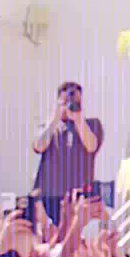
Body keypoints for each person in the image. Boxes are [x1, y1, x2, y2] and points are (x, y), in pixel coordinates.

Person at [31, 82, 102, 220]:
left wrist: (78, 118)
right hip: (48, 194)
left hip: (77, 195)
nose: (70, 105)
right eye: (66, 101)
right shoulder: (49, 127)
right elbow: (39, 146)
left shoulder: (92, 125)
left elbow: (91, 146)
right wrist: (55, 118)